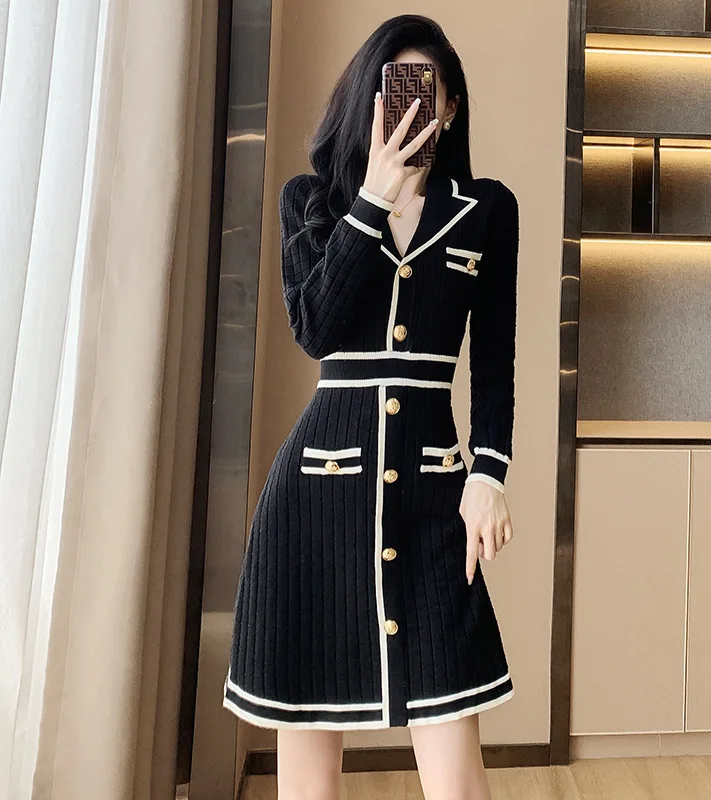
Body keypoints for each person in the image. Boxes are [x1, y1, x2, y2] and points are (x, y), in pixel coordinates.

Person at [224, 13, 520, 800]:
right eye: (395, 90)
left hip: (433, 498)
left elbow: (494, 362)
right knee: (309, 776)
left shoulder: (487, 210)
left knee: (458, 780)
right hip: (313, 509)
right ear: (369, 98)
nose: (412, 106)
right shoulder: (310, 202)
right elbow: (315, 329)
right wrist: (372, 200)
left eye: (428, 92)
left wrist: (487, 474)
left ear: (450, 107)